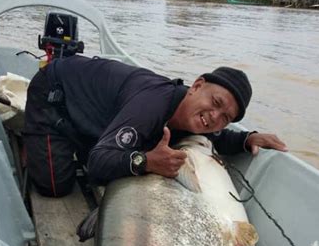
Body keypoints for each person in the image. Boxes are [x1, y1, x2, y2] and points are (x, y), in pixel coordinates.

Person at [23, 55, 287, 197]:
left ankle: (89, 135)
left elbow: (219, 136)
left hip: (97, 103)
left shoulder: (197, 114)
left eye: (225, 117)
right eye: (215, 102)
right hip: (55, 92)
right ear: (196, 86)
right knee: (54, 188)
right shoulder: (152, 104)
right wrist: (145, 161)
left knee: (123, 144)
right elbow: (97, 164)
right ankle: (34, 140)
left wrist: (247, 139)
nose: (214, 117)